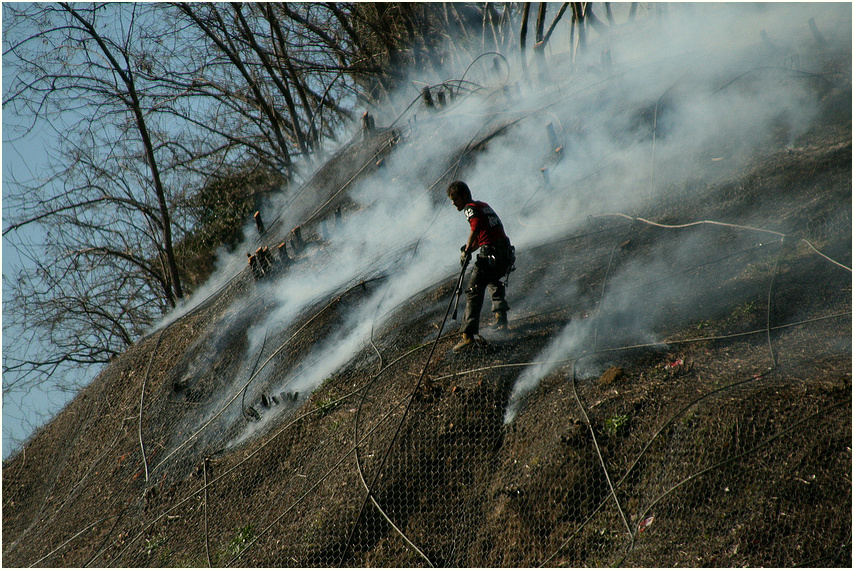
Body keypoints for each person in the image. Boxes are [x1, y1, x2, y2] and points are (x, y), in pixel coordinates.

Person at [447, 180, 515, 352]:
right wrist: (470, 248)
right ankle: (501, 318)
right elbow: (485, 234)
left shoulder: (470, 208)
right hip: (505, 253)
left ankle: (467, 336)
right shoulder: (483, 205)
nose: (453, 203)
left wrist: (467, 251)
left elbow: (475, 228)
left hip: (491, 254)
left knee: (473, 290)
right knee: (493, 279)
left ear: (463, 196)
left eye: (455, 199)